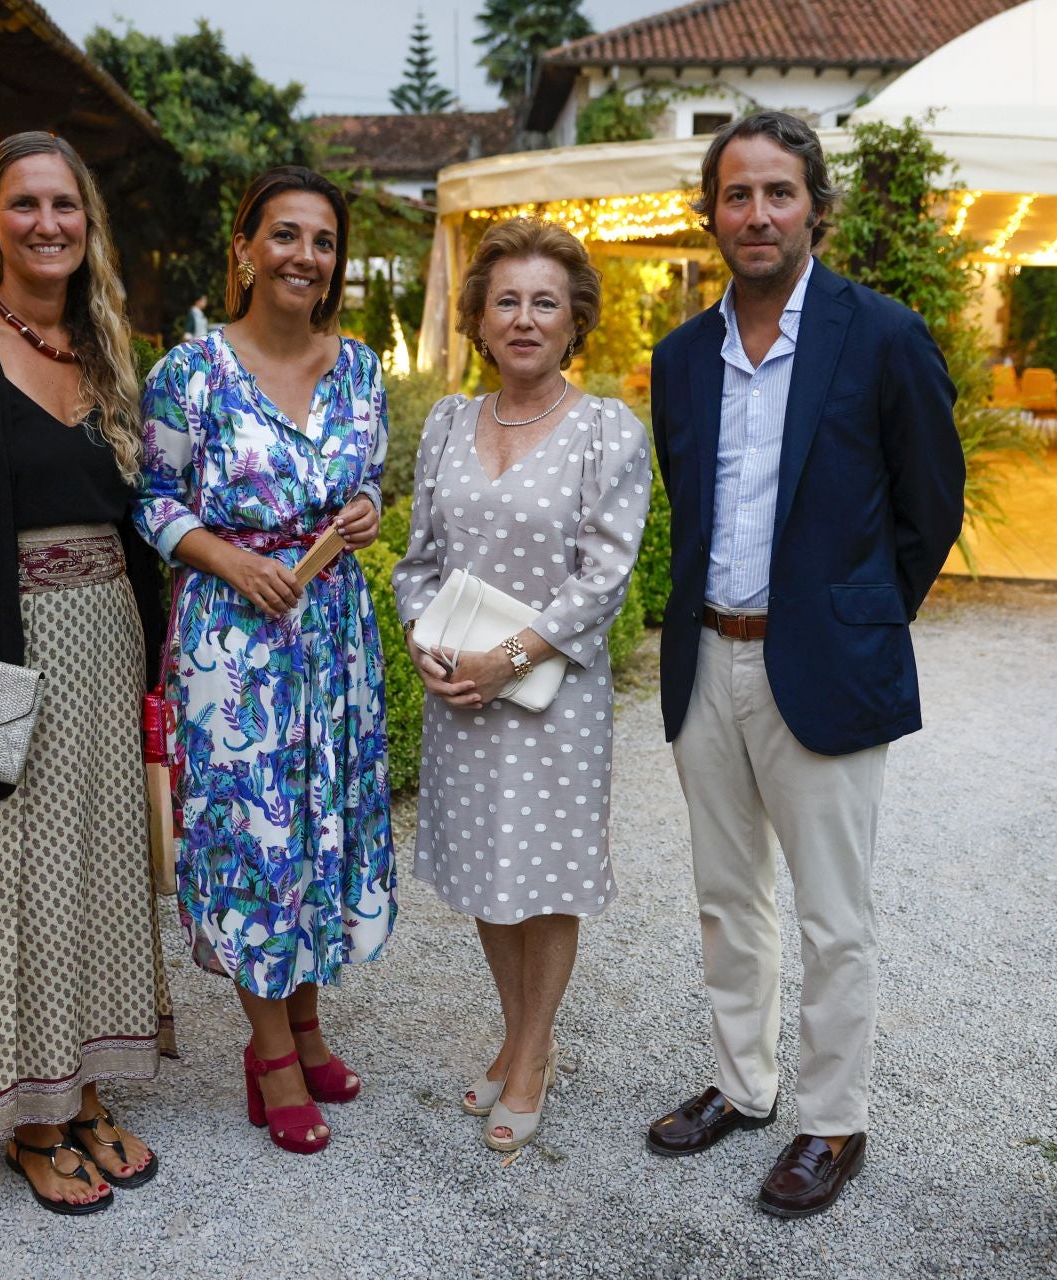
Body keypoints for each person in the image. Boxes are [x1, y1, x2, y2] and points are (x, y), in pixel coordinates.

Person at [643, 112, 965, 1219]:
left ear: (814, 204)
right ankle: (745, 1082)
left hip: (823, 667)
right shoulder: (681, 356)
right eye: (737, 195)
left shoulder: (881, 335)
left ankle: (835, 1120)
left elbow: (930, 507)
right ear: (712, 213)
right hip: (707, 665)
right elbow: (688, 505)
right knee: (728, 900)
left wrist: (852, 618)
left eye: (778, 192)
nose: (757, 214)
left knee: (835, 916)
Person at [0, 132, 176, 1215]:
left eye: (66, 204)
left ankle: (88, 1085)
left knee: (101, 871)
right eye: (26, 204)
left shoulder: (107, 348)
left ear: (86, 223)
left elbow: (139, 518)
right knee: (4, 882)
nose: (48, 223)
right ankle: (32, 1115)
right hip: (8, 647)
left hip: (105, 637)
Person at [135, 166, 393, 1157]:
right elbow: (154, 498)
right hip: (233, 643)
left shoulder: (362, 367)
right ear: (244, 247)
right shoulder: (190, 372)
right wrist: (231, 560)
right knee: (255, 842)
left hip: (331, 632)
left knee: (322, 828)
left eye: (322, 241)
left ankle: (310, 1024)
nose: (304, 257)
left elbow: (363, 478)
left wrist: (365, 508)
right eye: (284, 235)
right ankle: (270, 1055)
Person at [392, 218, 649, 1152]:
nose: (526, 317)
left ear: (576, 318)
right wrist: (424, 639)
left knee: (544, 881)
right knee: (483, 875)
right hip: (462, 694)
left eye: (546, 301)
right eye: (508, 300)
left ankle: (533, 1054)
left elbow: (606, 573)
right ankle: (517, 1033)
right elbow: (420, 560)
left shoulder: (606, 432)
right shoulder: (452, 425)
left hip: (552, 701)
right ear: (481, 319)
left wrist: (514, 657)